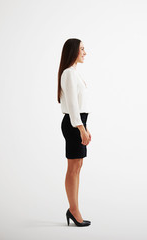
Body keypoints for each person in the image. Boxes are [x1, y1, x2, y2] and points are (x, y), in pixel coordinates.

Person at [57, 38, 91, 227]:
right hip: (73, 124)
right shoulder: (69, 73)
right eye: (82, 49)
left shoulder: (74, 73)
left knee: (77, 166)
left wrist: (86, 127)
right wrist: (80, 128)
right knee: (73, 168)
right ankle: (74, 209)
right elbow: (72, 105)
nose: (85, 53)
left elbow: (80, 104)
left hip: (78, 123)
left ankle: (74, 209)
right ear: (73, 52)